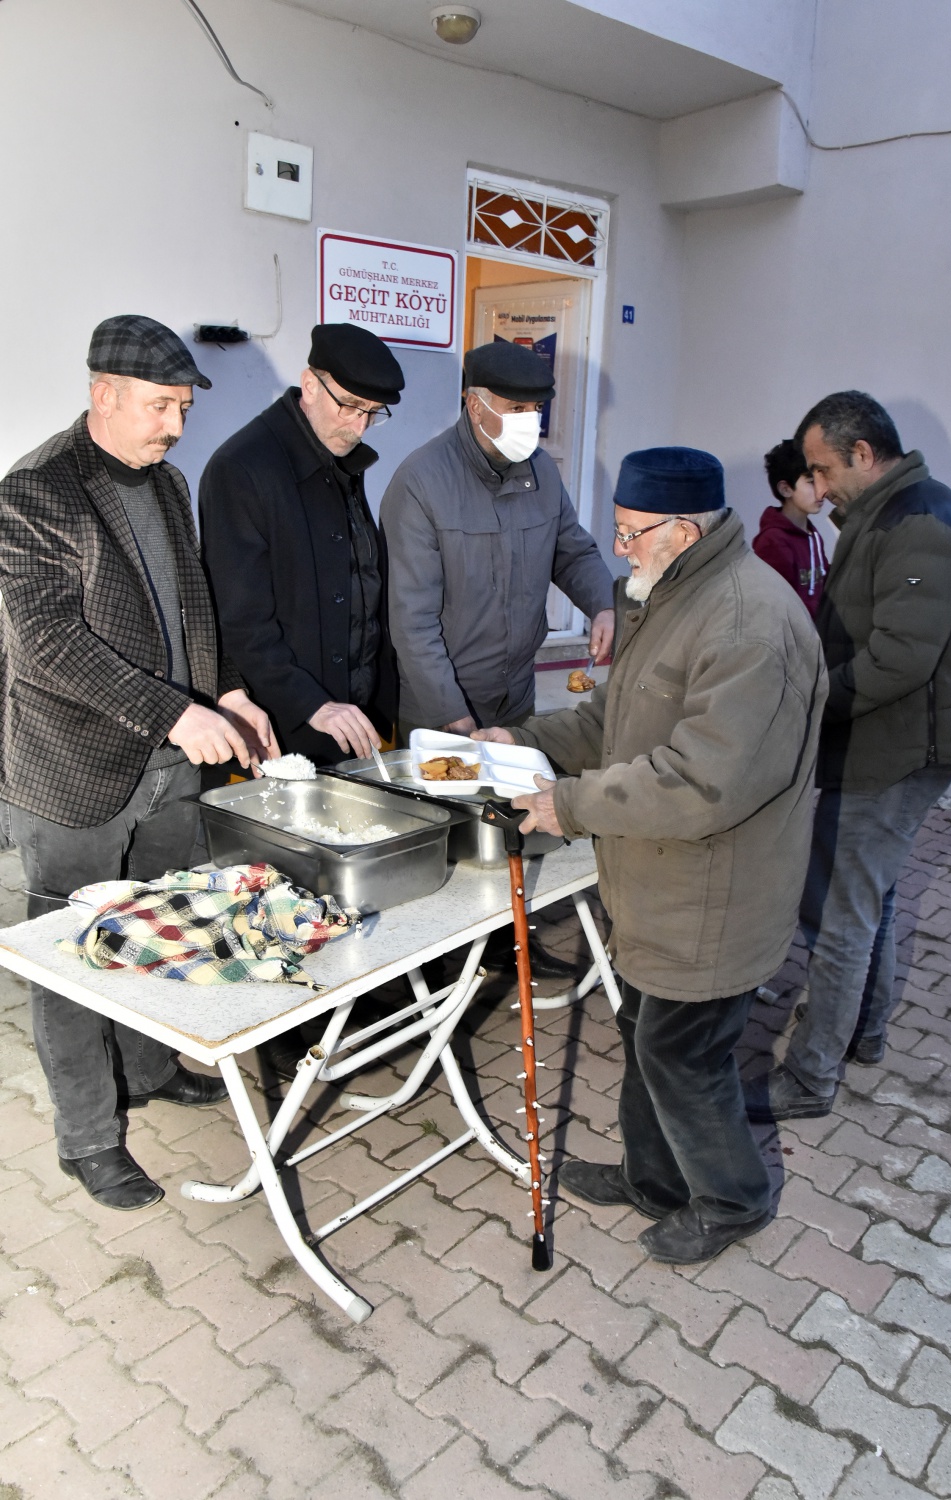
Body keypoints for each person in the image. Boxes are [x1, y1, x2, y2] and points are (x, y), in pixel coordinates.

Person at [475, 447, 827, 1264]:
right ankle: (655, 1178)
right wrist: (520, 740)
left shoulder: (749, 623)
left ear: (682, 529)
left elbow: (701, 781)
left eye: (631, 534)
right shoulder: (668, 591)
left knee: (681, 1051)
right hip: (659, 878)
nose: (619, 550)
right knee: (645, 1030)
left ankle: (734, 1196)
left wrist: (569, 804)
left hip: (715, 891)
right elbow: (614, 723)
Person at [0, 314, 275, 1211]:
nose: (176, 426)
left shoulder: (168, 482)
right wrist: (173, 711)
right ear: (102, 393)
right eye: (161, 406)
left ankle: (151, 1068)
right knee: (69, 955)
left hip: (169, 767)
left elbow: (191, 608)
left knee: (160, 925)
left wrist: (226, 692)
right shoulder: (33, 492)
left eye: (184, 406)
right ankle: (86, 1138)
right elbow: (46, 643)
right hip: (72, 772)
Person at [743, 391, 951, 1122]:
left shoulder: (921, 524)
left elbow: (899, 660)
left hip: (900, 747)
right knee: (867, 898)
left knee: (843, 912)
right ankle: (864, 1034)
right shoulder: (888, 514)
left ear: (864, 455)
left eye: (824, 469)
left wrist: (814, 700)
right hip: (886, 739)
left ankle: (810, 1078)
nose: (819, 487)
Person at [380, 340, 615, 740]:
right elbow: (411, 620)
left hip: (518, 698)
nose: (532, 421)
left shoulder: (542, 471)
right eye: (517, 409)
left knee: (515, 802)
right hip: (444, 706)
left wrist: (604, 605)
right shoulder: (421, 482)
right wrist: (449, 713)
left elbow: (571, 551)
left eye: (536, 409)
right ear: (476, 407)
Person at [200, 323, 404, 764]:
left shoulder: (338, 454)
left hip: (357, 715)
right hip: (288, 728)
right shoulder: (241, 469)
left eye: (373, 412)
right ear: (310, 384)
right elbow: (239, 622)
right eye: (349, 406)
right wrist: (310, 702)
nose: (359, 425)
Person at [753, 438, 829, 617]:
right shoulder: (773, 542)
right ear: (786, 489)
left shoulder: (813, 536)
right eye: (811, 481)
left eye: (823, 478)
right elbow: (775, 609)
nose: (822, 489)